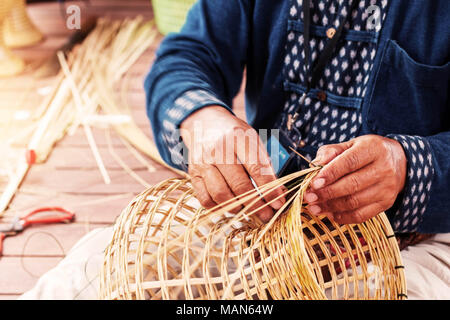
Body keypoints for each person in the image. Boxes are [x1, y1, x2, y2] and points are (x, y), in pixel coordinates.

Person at [20, 0, 450, 300]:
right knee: (98, 270)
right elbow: (186, 56)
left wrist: (407, 166)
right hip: (264, 214)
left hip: (416, 236)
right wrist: (204, 121)